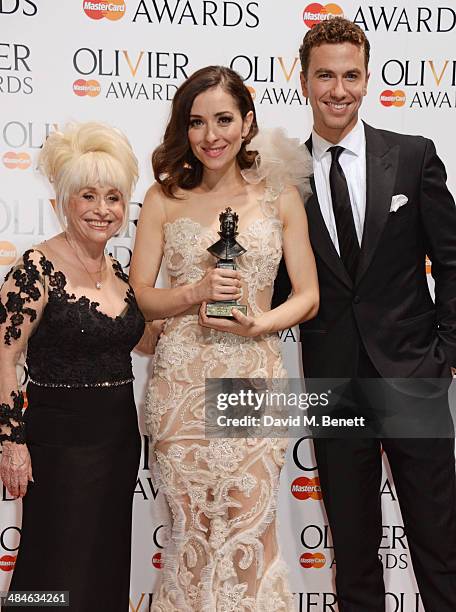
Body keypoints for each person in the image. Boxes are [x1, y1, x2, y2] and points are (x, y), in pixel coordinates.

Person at [272, 17, 456, 612]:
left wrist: (447, 355)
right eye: (325, 75)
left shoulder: (412, 157)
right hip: (332, 384)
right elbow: (279, 284)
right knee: (352, 555)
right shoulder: (284, 177)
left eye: (351, 75)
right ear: (302, 81)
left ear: (368, 78)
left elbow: (451, 260)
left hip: (413, 377)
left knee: (439, 546)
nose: (339, 90)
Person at [129, 65, 319, 611]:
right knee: (191, 536)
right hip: (182, 382)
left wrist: (261, 322)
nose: (210, 135)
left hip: (252, 378)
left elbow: (306, 294)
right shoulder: (163, 199)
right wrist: (194, 291)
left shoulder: (279, 196)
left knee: (248, 531)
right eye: (196, 122)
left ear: (247, 124)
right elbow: (141, 295)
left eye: (223, 119)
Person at [0, 122, 146, 611]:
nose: (102, 210)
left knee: (104, 562)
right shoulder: (36, 267)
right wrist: (10, 440)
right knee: (52, 564)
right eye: (88, 196)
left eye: (114, 197)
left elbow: (143, 336)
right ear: (64, 200)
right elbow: (3, 353)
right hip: (58, 446)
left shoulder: (118, 273)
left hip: (119, 442)